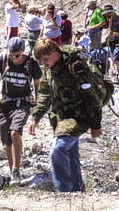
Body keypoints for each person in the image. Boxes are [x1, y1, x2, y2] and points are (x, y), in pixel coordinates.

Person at [27, 38, 104, 193]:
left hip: (79, 116)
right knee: (70, 152)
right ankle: (77, 190)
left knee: (58, 149)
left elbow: (91, 96)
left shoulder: (76, 66)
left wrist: (95, 124)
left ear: (54, 52)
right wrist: (35, 118)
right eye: (41, 61)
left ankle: (63, 190)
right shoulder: (49, 69)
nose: (44, 63)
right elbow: (44, 95)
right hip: (60, 117)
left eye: (45, 59)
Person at [0, 37, 42, 181]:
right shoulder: (3, 60)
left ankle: (16, 169)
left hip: (23, 102)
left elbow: (38, 84)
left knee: (15, 132)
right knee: (6, 137)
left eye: (16, 56)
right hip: (6, 103)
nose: (14, 58)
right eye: (11, 55)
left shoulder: (31, 63)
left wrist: (38, 102)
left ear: (23, 51)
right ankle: (12, 171)